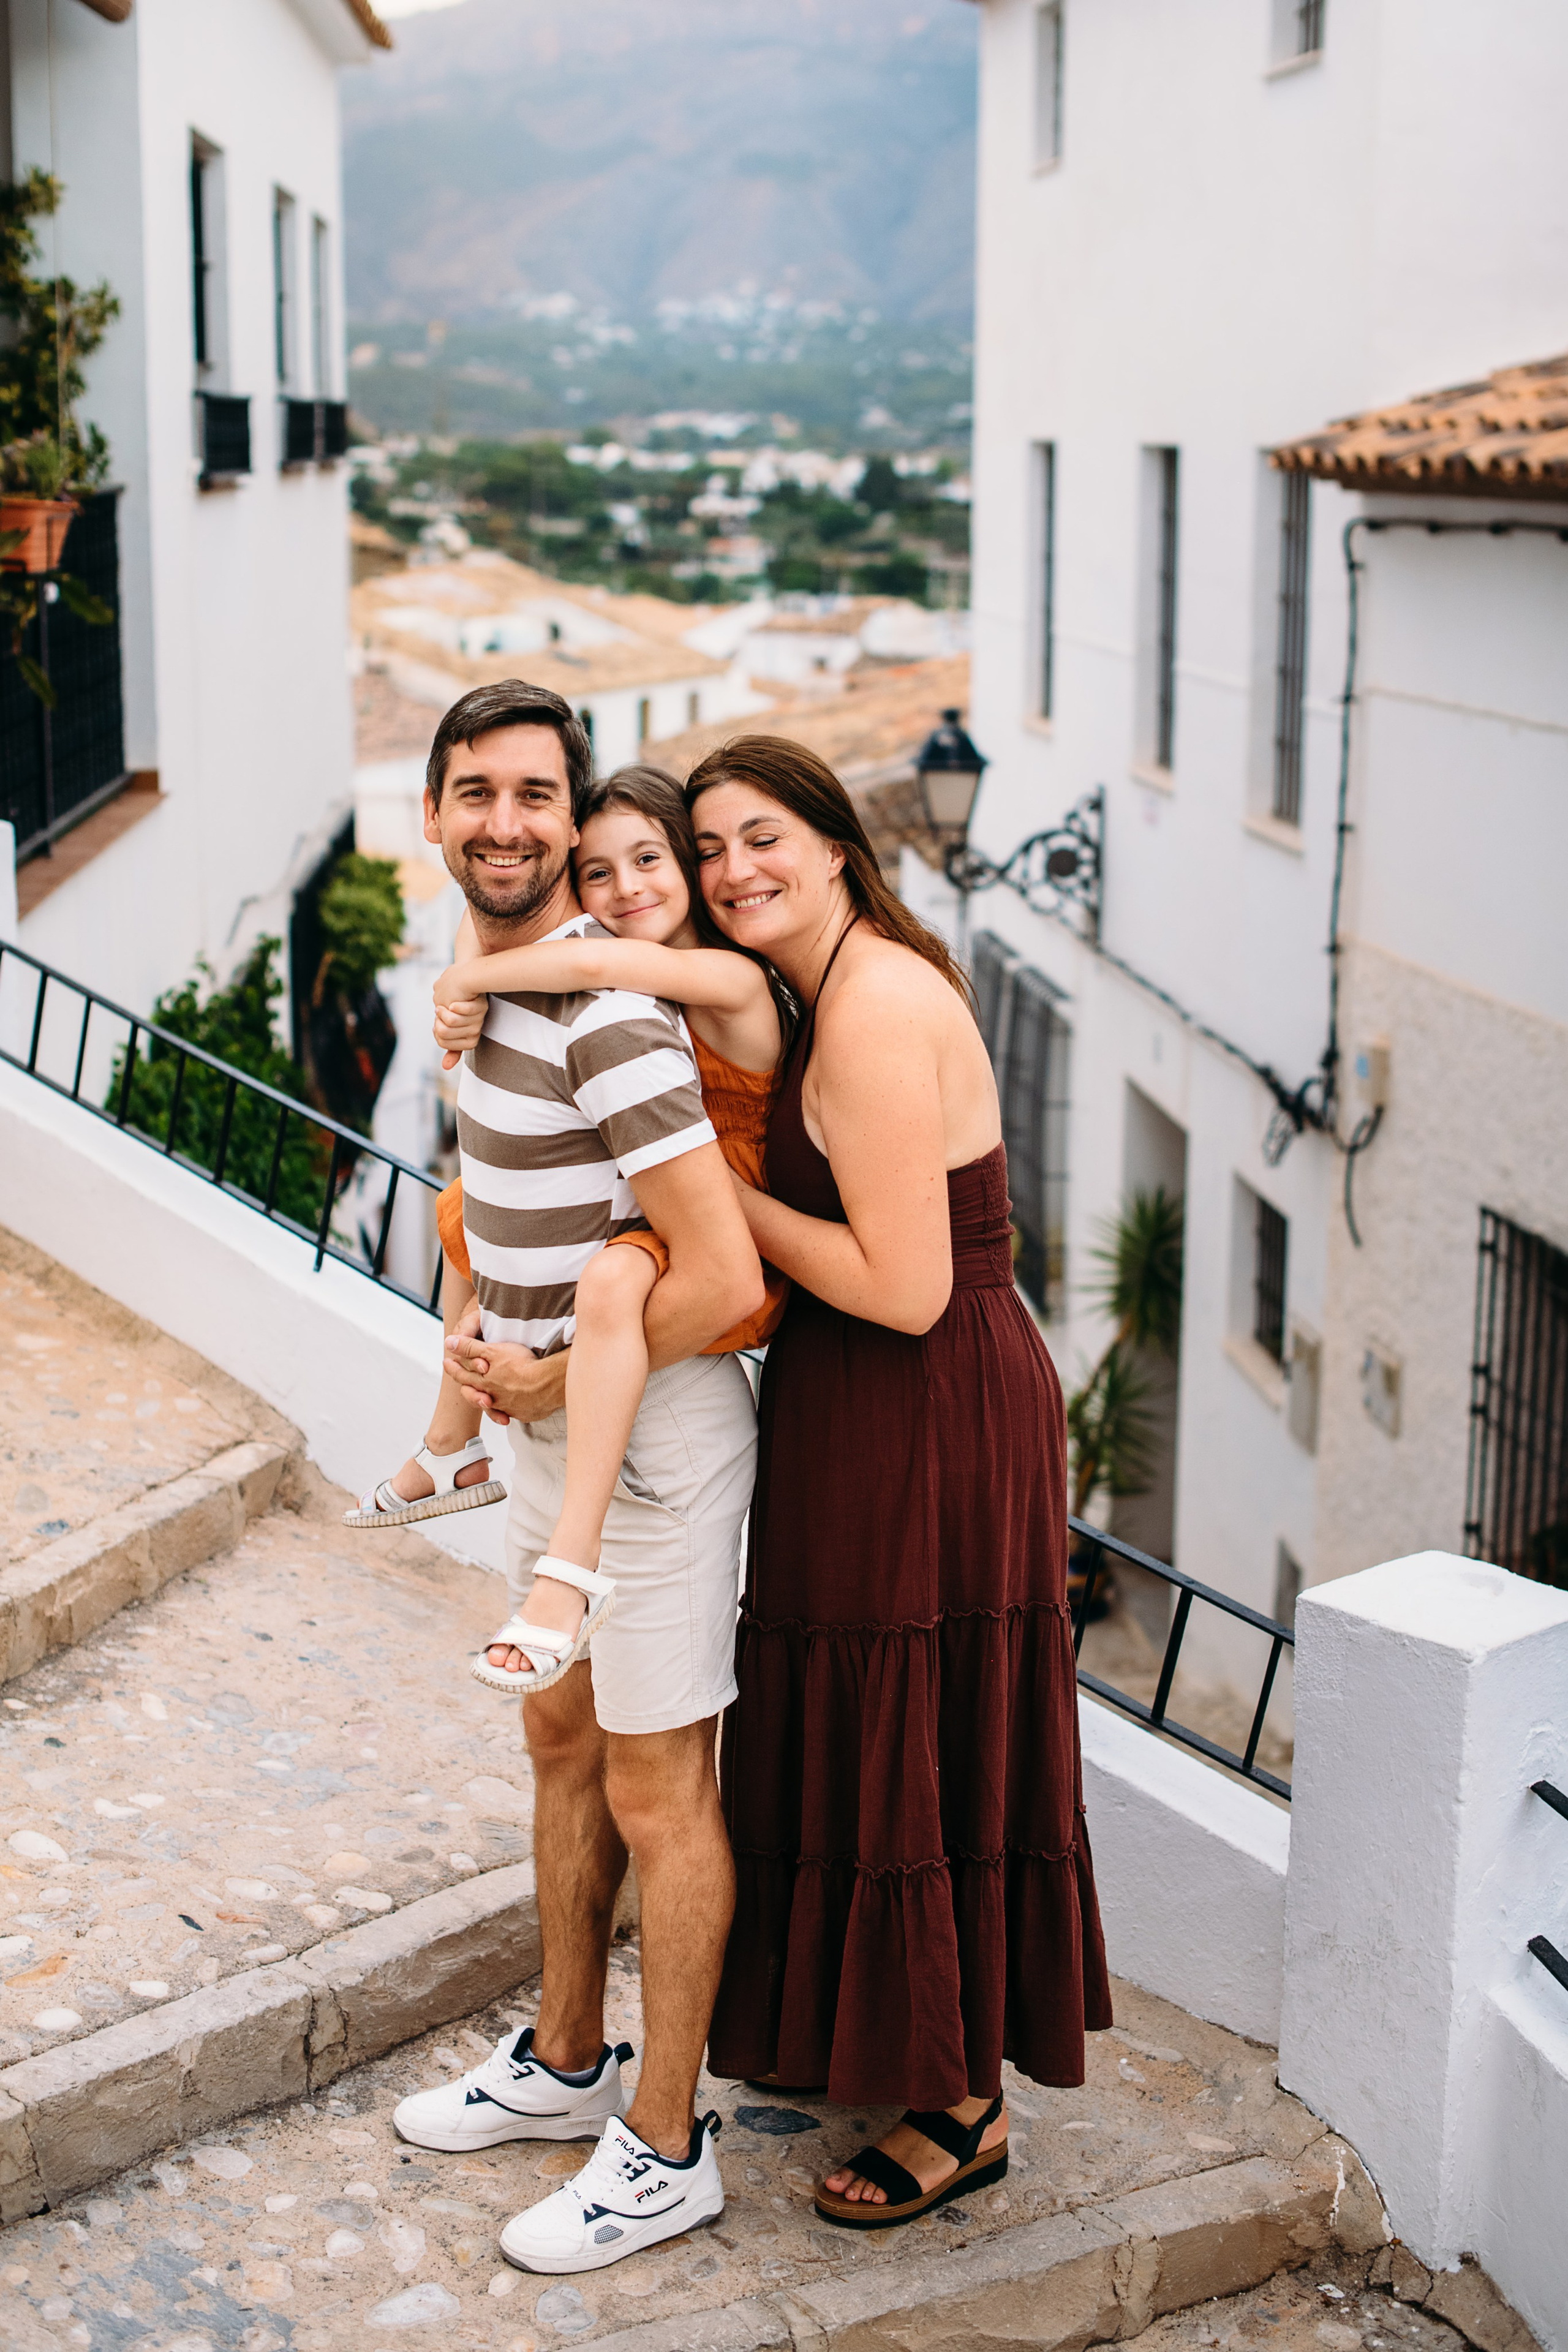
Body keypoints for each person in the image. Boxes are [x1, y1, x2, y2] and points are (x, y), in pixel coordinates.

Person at [686, 734, 1112, 2230]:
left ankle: (961, 2106)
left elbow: (905, 1285)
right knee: (869, 1719)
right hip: (865, 1402)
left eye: (759, 838)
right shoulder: (824, 990)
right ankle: (880, 2035)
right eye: (708, 852)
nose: (732, 870)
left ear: (833, 843)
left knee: (912, 1727)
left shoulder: (869, 1006)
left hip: (923, 1398)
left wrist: (723, 1197)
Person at [389, 683, 765, 2278]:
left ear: (575, 813)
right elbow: (488, 1206)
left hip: (659, 1434)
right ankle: (564, 2066)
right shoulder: (477, 986)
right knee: (558, 1741)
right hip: (556, 1426)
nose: (508, 823)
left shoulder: (604, 1012)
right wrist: (480, 1385)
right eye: (476, 792)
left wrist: (547, 1374)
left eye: (538, 796)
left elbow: (727, 1271)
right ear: (433, 814)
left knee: (660, 1795)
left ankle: (668, 2148)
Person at [426, 764, 787, 1691]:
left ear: (688, 866)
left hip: (716, 1215)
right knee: (466, 1205)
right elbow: (510, 919)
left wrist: (466, 978)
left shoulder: (726, 976)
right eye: (599, 872)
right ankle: (448, 1434)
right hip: (659, 1193)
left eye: (651, 860)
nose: (627, 890)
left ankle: (570, 1567)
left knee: (612, 1283)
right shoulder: (645, 987)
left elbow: (587, 962)